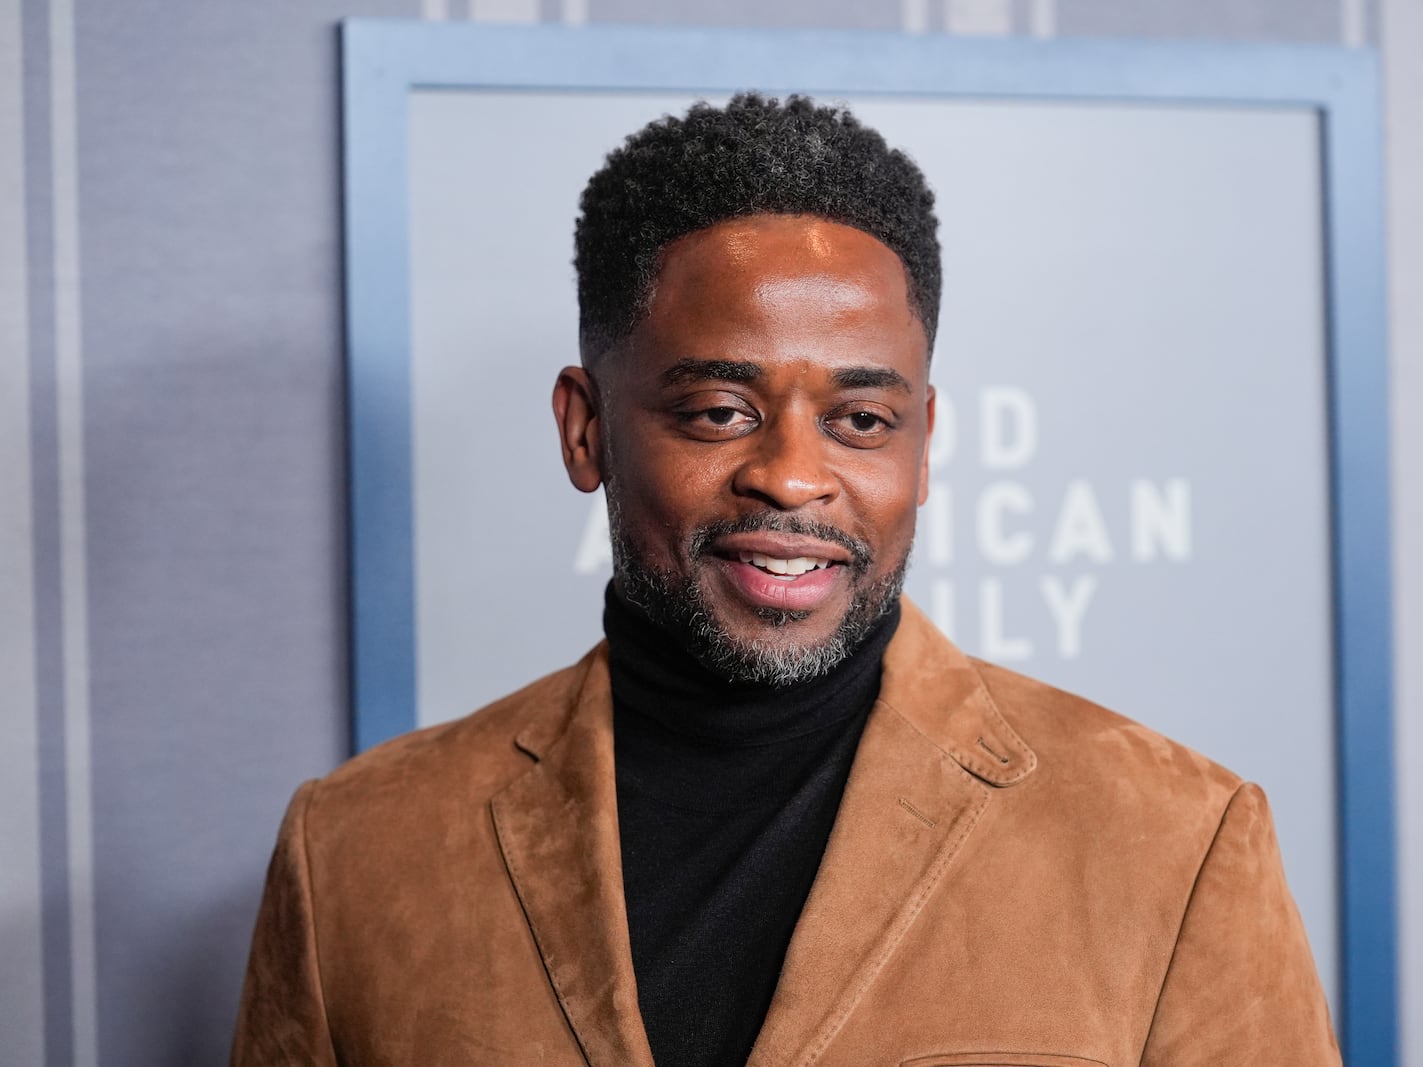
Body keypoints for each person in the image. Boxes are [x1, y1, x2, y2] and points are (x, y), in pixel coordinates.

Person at [231, 93, 1341, 1066]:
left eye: (861, 420)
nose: (794, 477)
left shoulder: (1176, 838)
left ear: (921, 443)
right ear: (586, 430)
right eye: (719, 412)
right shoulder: (355, 853)